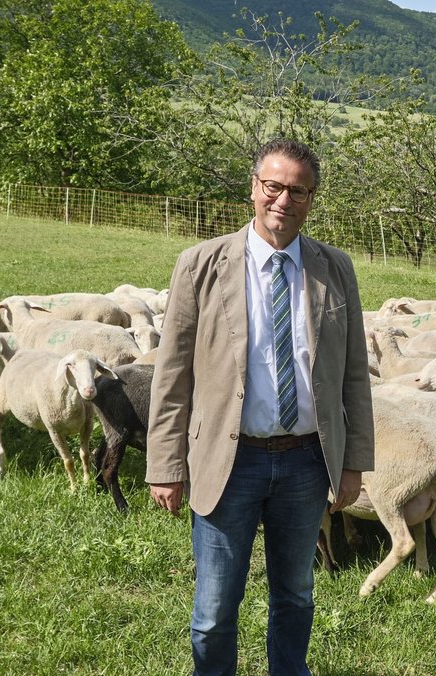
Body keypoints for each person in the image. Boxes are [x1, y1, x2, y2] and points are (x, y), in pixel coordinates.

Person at [146, 138, 374, 675]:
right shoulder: (200, 265)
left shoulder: (334, 269)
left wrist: (353, 462)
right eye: (273, 186)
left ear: (311, 198)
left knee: (295, 597)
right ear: (253, 188)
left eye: (298, 190)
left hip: (304, 461)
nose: (283, 200)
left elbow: (354, 375)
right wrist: (165, 464)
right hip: (229, 461)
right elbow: (172, 374)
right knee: (213, 612)